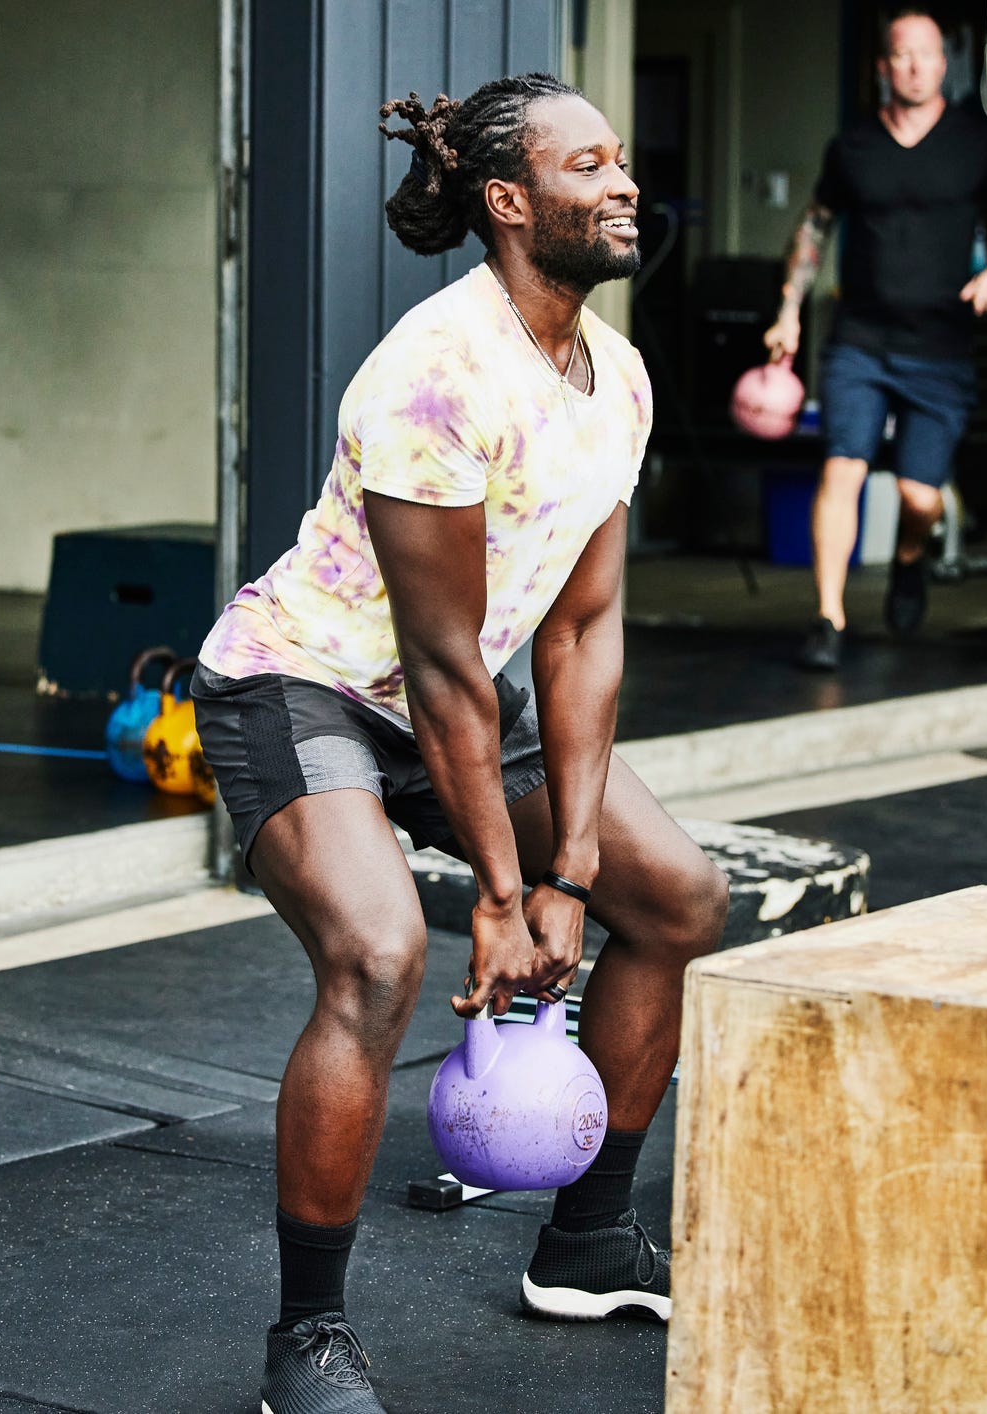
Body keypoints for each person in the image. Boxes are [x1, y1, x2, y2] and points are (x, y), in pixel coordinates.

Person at [190, 74, 729, 1413]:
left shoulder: (619, 377)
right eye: (589, 165)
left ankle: (589, 1237)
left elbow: (582, 631)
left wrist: (572, 869)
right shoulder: (434, 374)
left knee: (675, 898)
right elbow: (431, 661)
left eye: (622, 162)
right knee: (375, 955)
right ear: (509, 201)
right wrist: (502, 894)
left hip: (471, 692)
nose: (623, 185)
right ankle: (306, 1337)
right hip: (306, 683)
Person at [767, 6, 987, 672]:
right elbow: (813, 229)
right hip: (859, 339)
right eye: (901, 54)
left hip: (940, 348)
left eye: (926, 54)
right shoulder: (852, 147)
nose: (915, 66)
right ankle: (827, 618)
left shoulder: (973, 144)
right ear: (882, 67)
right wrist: (789, 309)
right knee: (843, 470)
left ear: (943, 65)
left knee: (920, 498)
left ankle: (909, 558)